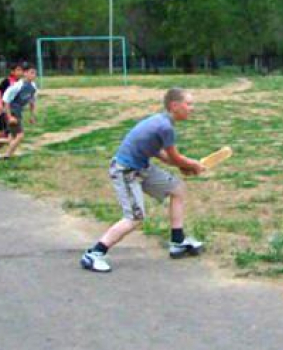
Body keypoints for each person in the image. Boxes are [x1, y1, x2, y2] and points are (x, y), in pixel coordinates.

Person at [80, 88, 206, 273]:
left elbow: (161, 154)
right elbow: (175, 157)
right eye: (188, 104)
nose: (192, 108)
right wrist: (192, 164)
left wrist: (183, 166)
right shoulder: (165, 127)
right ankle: (94, 254)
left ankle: (177, 242)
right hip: (126, 171)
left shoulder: (161, 121)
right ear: (174, 106)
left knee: (177, 189)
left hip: (141, 167)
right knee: (134, 218)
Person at [0, 66, 38, 160]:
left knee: (10, 138)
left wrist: (32, 116)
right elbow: (6, 100)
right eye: (31, 72)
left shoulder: (33, 86)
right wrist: (9, 117)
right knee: (19, 136)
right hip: (12, 111)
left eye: (35, 73)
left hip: (18, 112)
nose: (34, 75)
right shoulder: (17, 86)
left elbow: (32, 102)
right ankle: (7, 156)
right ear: (25, 73)